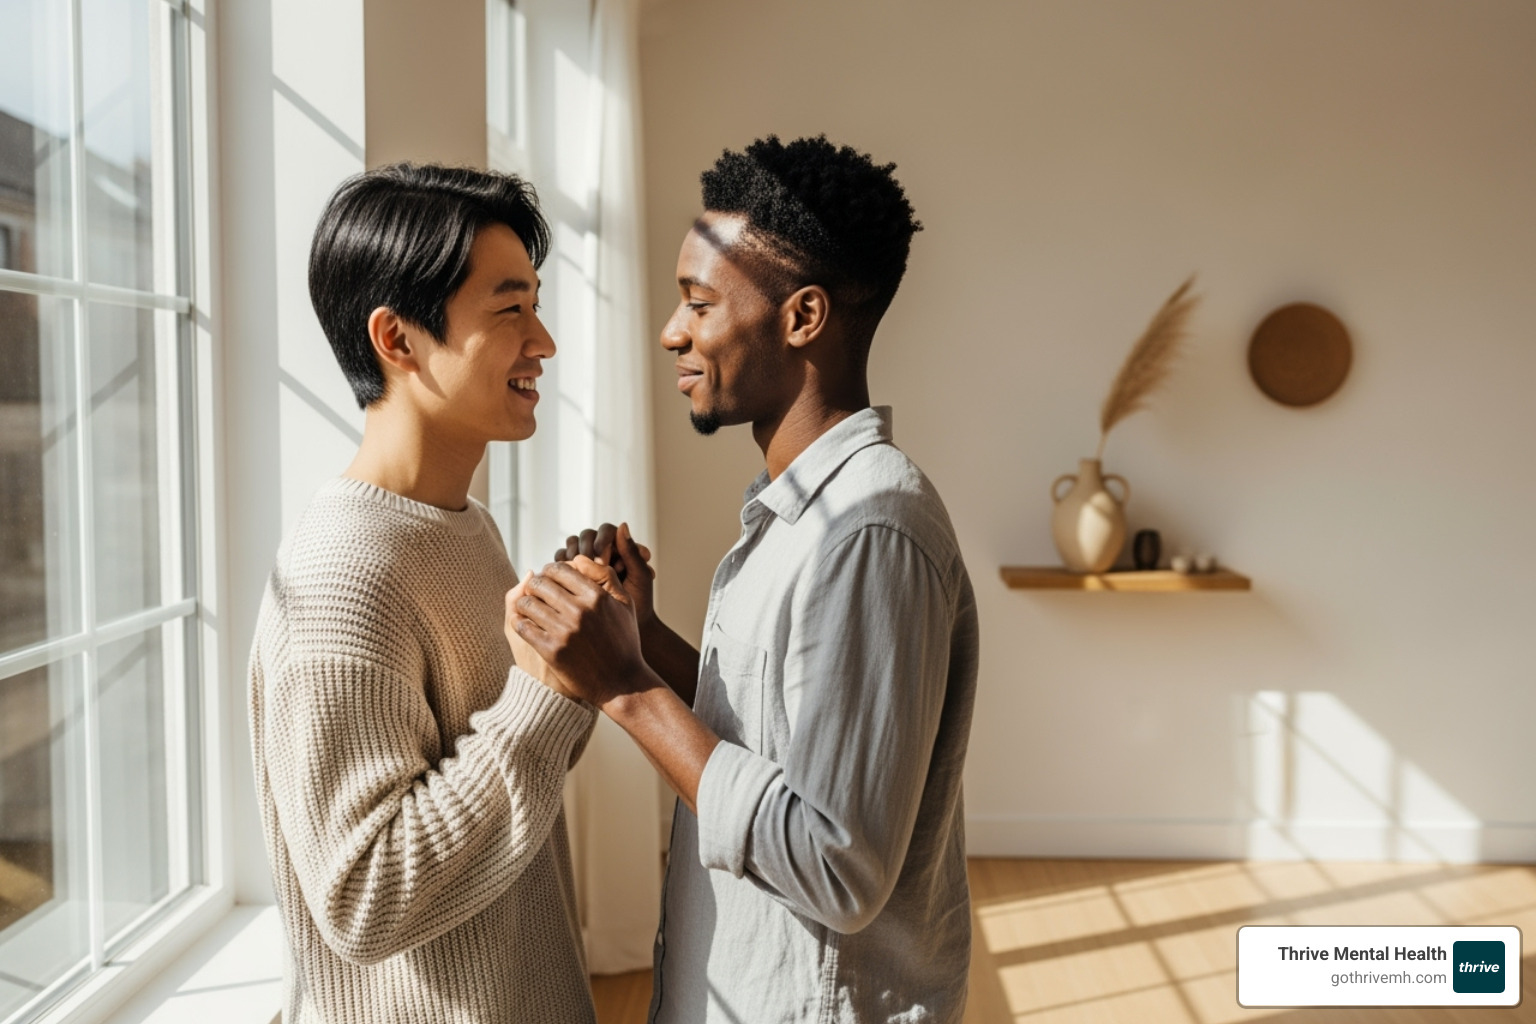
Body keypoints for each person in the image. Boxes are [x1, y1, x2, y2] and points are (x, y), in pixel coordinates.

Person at [513, 136, 980, 1023]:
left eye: (698, 302)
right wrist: (643, 642)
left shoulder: (870, 532)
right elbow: (776, 744)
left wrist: (623, 690)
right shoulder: (800, 514)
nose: (670, 331)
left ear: (803, 317)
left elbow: (835, 863)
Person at [248, 163, 599, 1024]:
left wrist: (579, 661)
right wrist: (541, 697)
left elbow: (513, 782)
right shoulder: (342, 580)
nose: (544, 342)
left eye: (537, 305)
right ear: (398, 341)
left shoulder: (464, 523)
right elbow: (366, 900)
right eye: (510, 310)